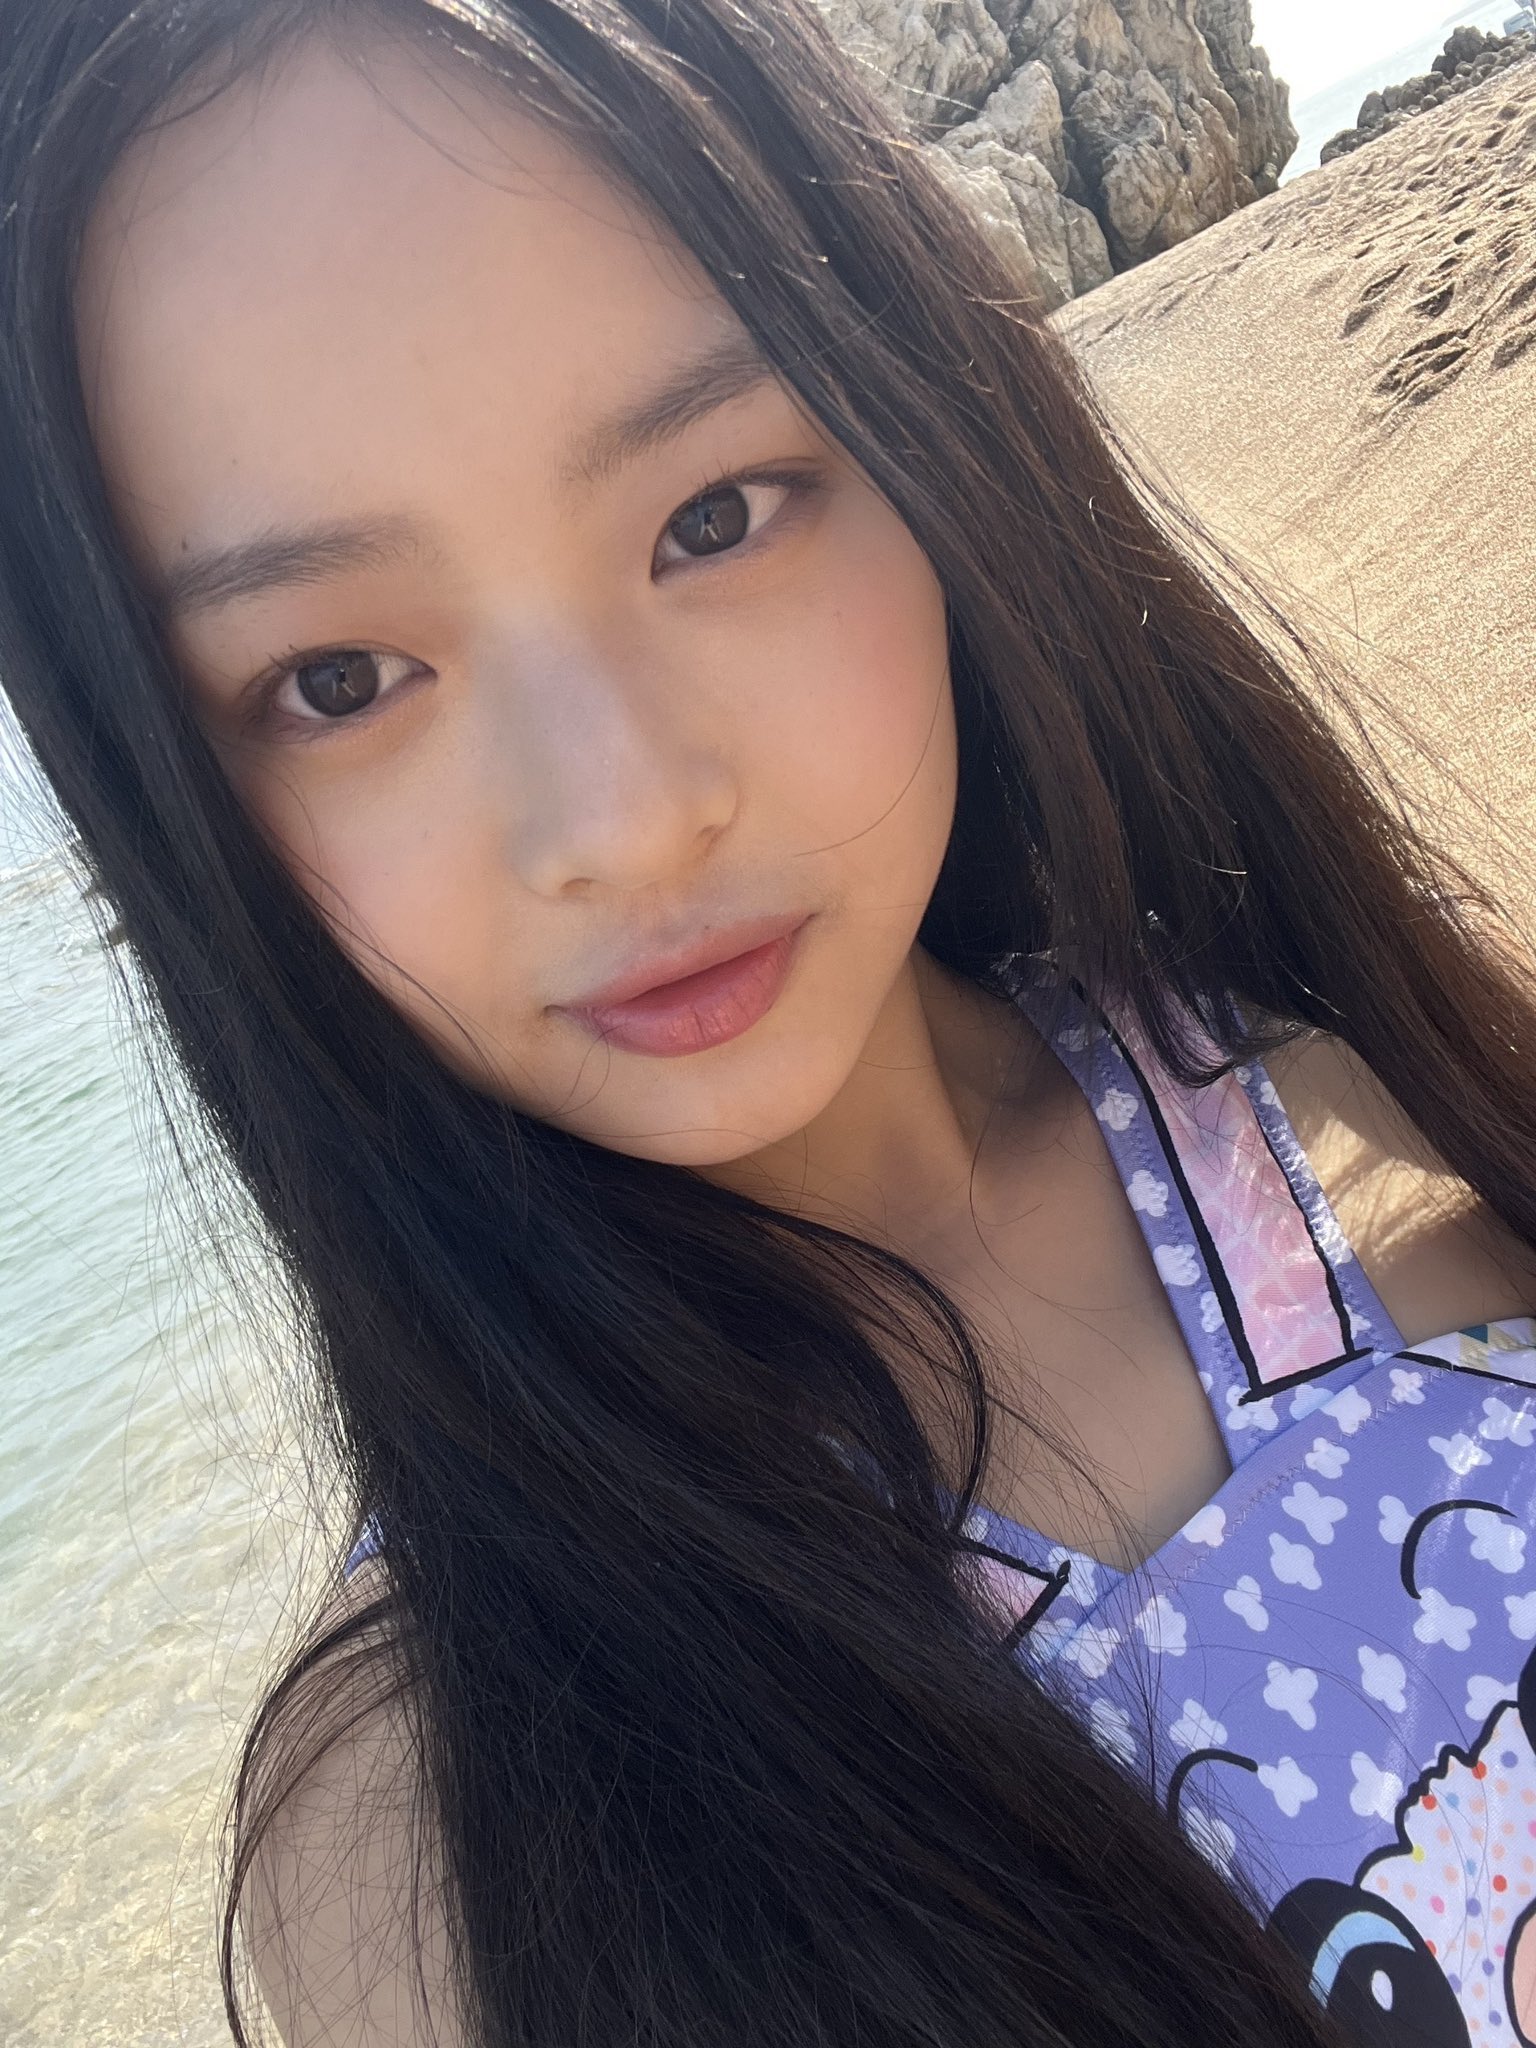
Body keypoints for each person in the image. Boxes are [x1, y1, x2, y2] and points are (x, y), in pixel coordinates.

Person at [2, 1, 1534, 2042]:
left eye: (712, 516)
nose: (625, 817)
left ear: (927, 446)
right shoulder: (435, 1823)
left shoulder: (1387, 1098)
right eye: (340, 680)